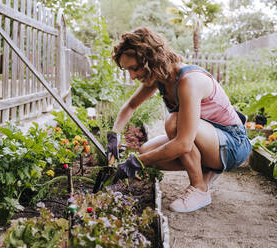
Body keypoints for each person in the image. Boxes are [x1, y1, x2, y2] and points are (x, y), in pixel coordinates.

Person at [106, 27, 251, 213]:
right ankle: (208, 168)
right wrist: (114, 133)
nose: (132, 76)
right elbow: (131, 106)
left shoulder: (188, 81)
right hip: (210, 140)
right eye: (128, 70)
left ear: (150, 59)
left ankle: (200, 188)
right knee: (147, 150)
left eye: (134, 68)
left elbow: (183, 143)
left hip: (233, 144)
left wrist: (136, 162)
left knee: (173, 123)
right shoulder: (160, 77)